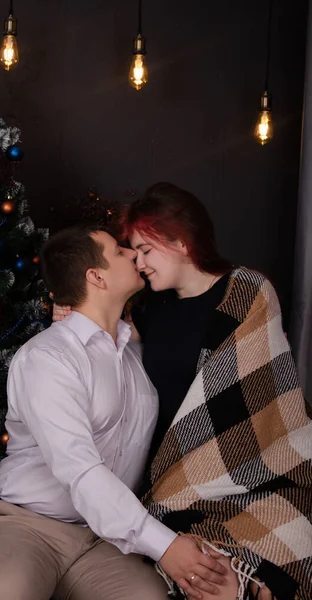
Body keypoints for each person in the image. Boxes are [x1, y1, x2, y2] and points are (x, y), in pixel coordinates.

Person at [53, 183, 312, 600]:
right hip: (177, 482)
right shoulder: (150, 308)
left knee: (285, 553)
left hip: (257, 470)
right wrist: (71, 310)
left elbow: (265, 389)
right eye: (131, 252)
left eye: (145, 250)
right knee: (211, 578)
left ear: (180, 241)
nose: (138, 262)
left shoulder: (246, 292)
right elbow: (104, 337)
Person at [0, 223, 228, 600]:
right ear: (96, 277)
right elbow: (80, 470)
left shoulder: (138, 357)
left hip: (105, 540)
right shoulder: (48, 358)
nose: (134, 255)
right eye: (121, 252)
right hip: (27, 527)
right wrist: (166, 545)